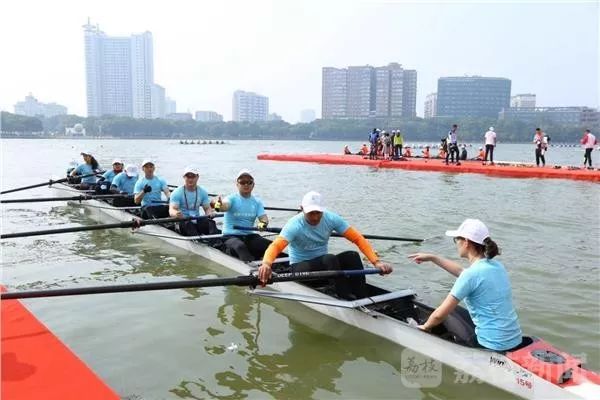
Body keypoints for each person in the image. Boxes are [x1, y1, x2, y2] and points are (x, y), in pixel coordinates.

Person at [408, 219, 522, 352]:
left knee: (447, 312)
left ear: (466, 242)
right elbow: (462, 273)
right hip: (515, 339)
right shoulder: (497, 266)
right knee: (455, 310)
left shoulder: (471, 275)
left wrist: (425, 328)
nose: (456, 243)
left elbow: (440, 315)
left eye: (457, 239)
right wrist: (433, 258)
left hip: (491, 345)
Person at [257, 191, 393, 299]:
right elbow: (275, 246)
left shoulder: (331, 218)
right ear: (302, 209)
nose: (315, 217)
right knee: (330, 258)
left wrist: (376, 263)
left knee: (352, 256)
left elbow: (358, 239)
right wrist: (266, 264)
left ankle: (362, 296)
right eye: (311, 213)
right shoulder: (294, 225)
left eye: (318, 212)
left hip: (325, 267)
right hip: (300, 268)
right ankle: (345, 297)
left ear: (323, 210)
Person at [217, 170, 272, 261]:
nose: (246, 185)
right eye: (242, 182)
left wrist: (263, 224)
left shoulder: (257, 202)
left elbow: (264, 219)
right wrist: (220, 206)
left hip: (249, 236)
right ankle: (252, 268)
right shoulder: (231, 198)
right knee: (240, 247)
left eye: (249, 182)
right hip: (230, 236)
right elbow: (225, 206)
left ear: (253, 185)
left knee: (271, 246)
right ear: (237, 184)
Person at [169, 165, 217, 236]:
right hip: (182, 221)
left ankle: (215, 241)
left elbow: (207, 208)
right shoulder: (177, 192)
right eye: (188, 176)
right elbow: (171, 210)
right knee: (187, 224)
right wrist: (175, 213)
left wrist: (210, 213)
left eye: (193, 176)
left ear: (197, 177)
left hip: (196, 219)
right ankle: (199, 241)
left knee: (210, 222)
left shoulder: (203, 192)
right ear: (184, 177)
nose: (190, 179)